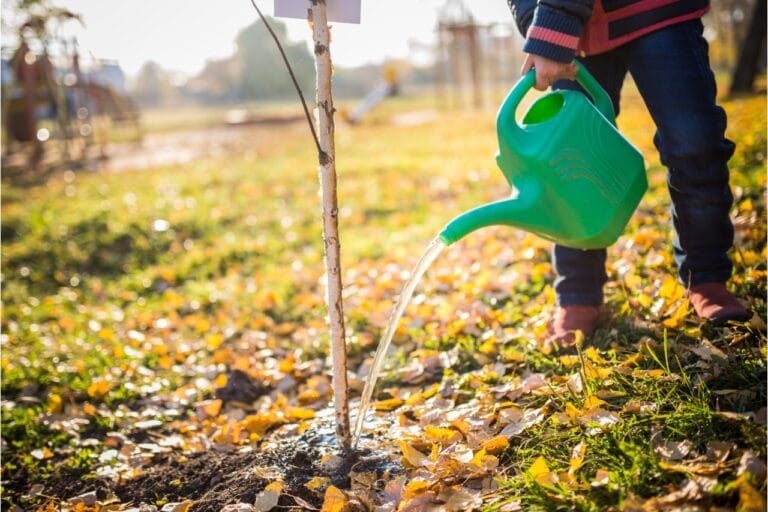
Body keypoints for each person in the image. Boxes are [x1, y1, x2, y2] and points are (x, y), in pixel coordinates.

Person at [504, 0, 751, 348]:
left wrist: (552, 26)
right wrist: (537, 20)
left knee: (695, 143)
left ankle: (707, 277)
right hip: (579, 34)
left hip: (655, 10)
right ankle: (578, 294)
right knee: (571, 163)